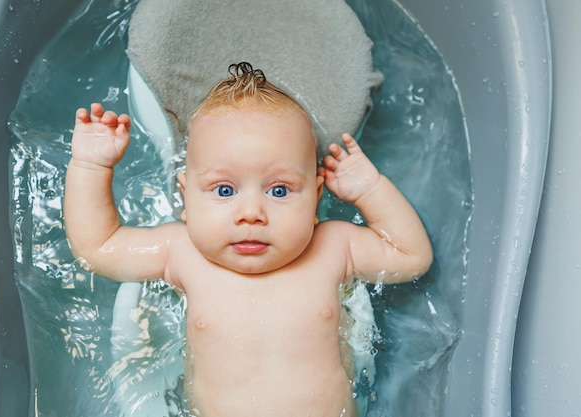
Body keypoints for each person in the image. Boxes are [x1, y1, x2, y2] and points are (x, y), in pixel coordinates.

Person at [64, 62, 432, 417]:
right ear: (186, 199)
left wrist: (368, 189)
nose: (251, 212)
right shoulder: (181, 253)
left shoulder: (333, 247)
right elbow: (99, 248)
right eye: (224, 190)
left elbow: (411, 256)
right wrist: (91, 167)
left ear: (316, 198)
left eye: (279, 190)